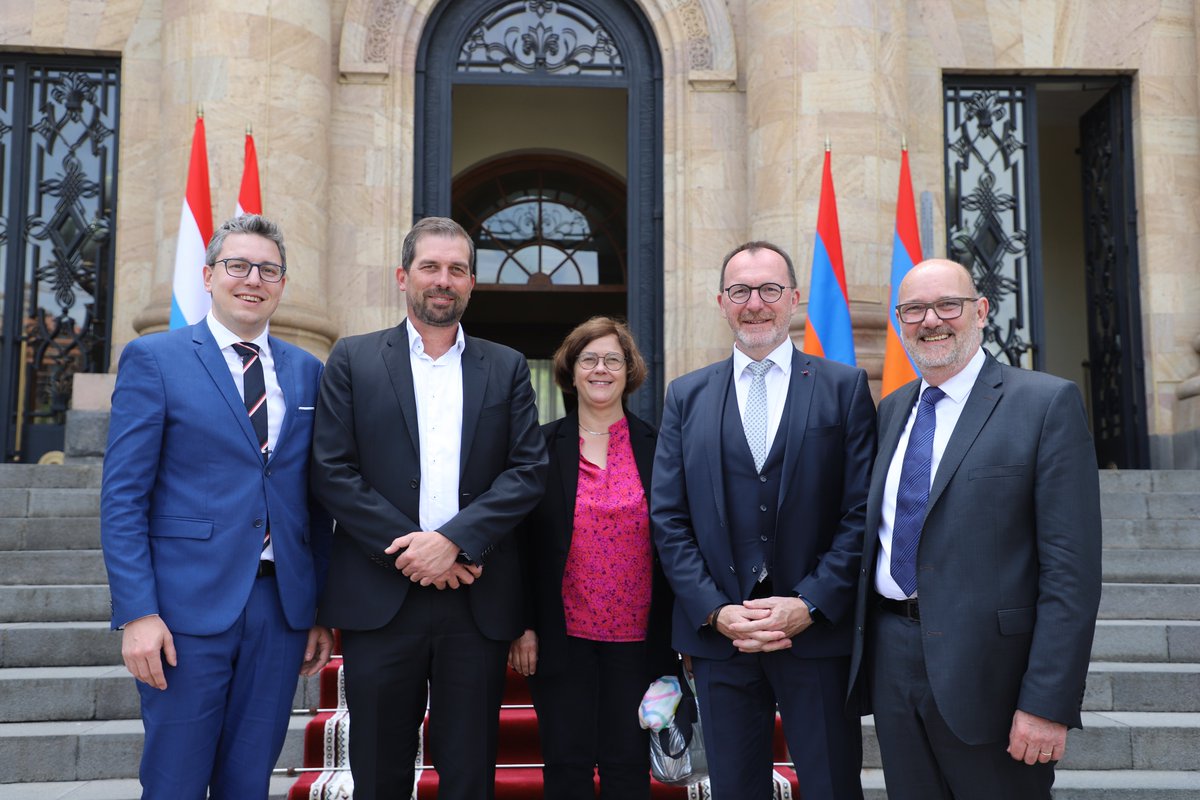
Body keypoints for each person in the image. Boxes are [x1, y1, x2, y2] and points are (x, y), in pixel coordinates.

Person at [310, 216, 548, 800]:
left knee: (470, 772)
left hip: (477, 596)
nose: (443, 280)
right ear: (403, 276)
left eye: (457, 270)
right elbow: (331, 471)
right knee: (377, 768)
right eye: (431, 267)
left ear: (472, 283)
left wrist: (455, 543)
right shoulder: (353, 359)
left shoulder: (508, 366)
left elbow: (527, 471)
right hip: (379, 597)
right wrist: (418, 551)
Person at [848, 258, 1102, 800]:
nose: (931, 320)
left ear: (981, 311)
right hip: (893, 663)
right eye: (914, 309)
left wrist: (1046, 704)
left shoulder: (1044, 404)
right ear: (900, 321)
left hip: (994, 681)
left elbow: (1070, 575)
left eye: (948, 305)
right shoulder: (891, 410)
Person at [100, 214, 334, 798]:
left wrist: (319, 609)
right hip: (183, 612)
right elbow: (124, 498)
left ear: (281, 283)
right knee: (176, 778)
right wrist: (137, 613)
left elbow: (318, 500)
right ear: (208, 276)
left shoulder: (308, 373)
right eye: (237, 265)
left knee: (248, 779)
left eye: (268, 269)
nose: (252, 279)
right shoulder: (155, 359)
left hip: (280, 611)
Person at [651, 241, 876, 799]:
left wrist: (810, 603)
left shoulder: (843, 387)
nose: (756, 303)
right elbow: (669, 518)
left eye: (770, 289)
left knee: (831, 787)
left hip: (816, 636)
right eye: (741, 291)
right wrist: (715, 610)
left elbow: (861, 512)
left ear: (795, 298)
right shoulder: (685, 395)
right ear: (721, 302)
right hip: (722, 641)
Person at [508, 316, 675, 800]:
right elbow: (517, 544)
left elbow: (679, 539)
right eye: (589, 359)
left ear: (629, 371)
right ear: (571, 370)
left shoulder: (661, 447)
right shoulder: (537, 447)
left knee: (627, 767)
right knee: (566, 765)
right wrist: (523, 625)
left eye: (612, 360)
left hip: (641, 639)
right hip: (561, 635)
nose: (601, 369)